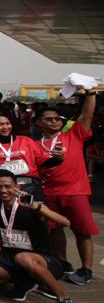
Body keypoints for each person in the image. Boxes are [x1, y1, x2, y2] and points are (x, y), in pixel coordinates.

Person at [0, 170, 82, 303]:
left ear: (16, 187)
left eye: (7, 186)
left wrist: (38, 207)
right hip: (13, 260)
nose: (3, 190)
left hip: (45, 260)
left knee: (23, 257)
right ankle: (27, 282)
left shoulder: (30, 204)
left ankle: (65, 300)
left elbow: (65, 222)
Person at [35, 94, 97, 285]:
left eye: (57, 119)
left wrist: (91, 93)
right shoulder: (34, 145)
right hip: (49, 194)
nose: (55, 121)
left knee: (82, 231)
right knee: (55, 231)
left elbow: (87, 115)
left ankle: (86, 269)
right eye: (49, 119)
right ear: (39, 123)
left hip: (75, 191)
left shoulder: (73, 135)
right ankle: (62, 263)